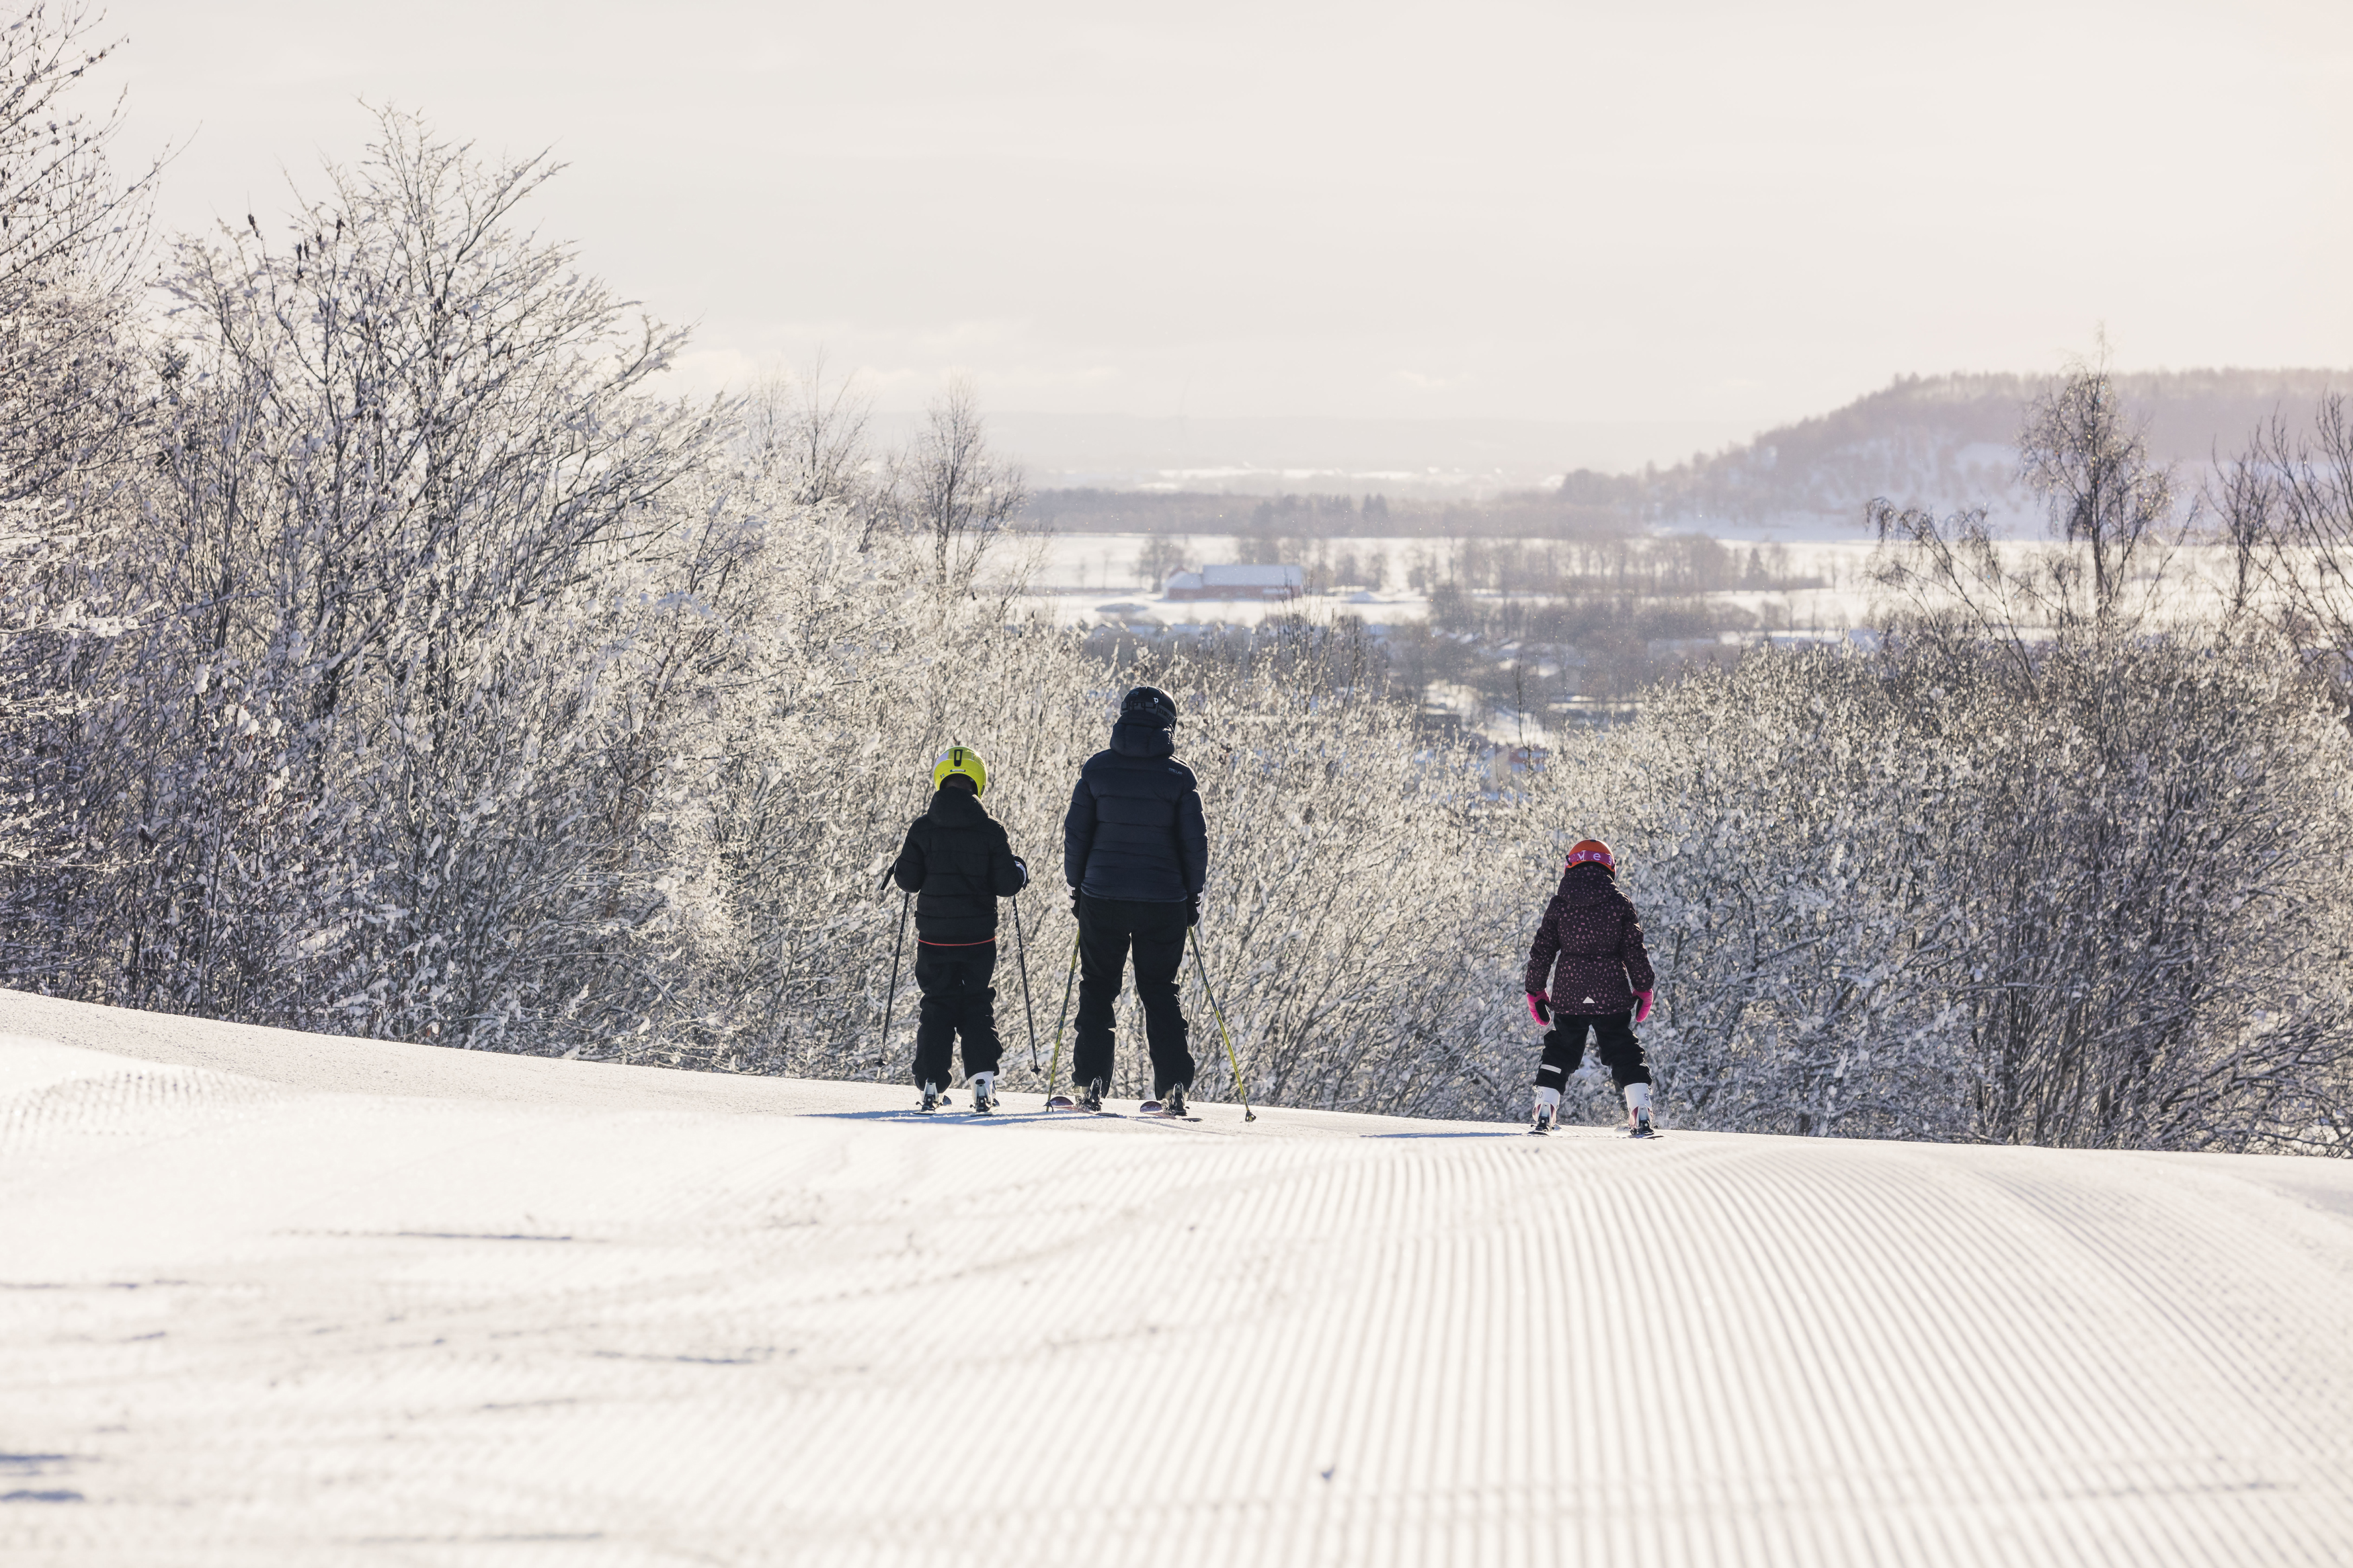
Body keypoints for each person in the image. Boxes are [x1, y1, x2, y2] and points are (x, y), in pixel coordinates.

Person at [1061, 685, 1208, 1114]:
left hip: (1102, 895)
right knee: (1160, 990)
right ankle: (1174, 1086)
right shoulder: (1179, 778)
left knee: (1097, 988)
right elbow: (1195, 845)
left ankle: (1090, 1083)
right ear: (1168, 725)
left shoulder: (1097, 770)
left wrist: (1077, 886)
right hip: (1164, 900)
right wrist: (1191, 897)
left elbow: (1076, 835)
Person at [890, 746, 1029, 1113]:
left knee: (938, 1003)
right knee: (976, 1003)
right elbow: (1007, 885)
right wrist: (1019, 869)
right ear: (978, 782)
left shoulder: (922, 828)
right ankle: (982, 1082)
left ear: (941, 780)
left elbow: (907, 881)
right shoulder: (991, 830)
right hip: (978, 938)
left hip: (933, 937)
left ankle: (931, 1084)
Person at [1523, 838, 1659, 1136]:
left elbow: (1542, 950)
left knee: (1561, 1048)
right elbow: (1635, 950)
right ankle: (1641, 1111)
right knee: (1623, 1047)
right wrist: (1644, 986)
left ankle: (1545, 1109)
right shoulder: (1620, 903)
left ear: (1571, 865)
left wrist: (1535, 989)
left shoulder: (1560, 905)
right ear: (1610, 867)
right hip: (1612, 993)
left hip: (1570, 994)